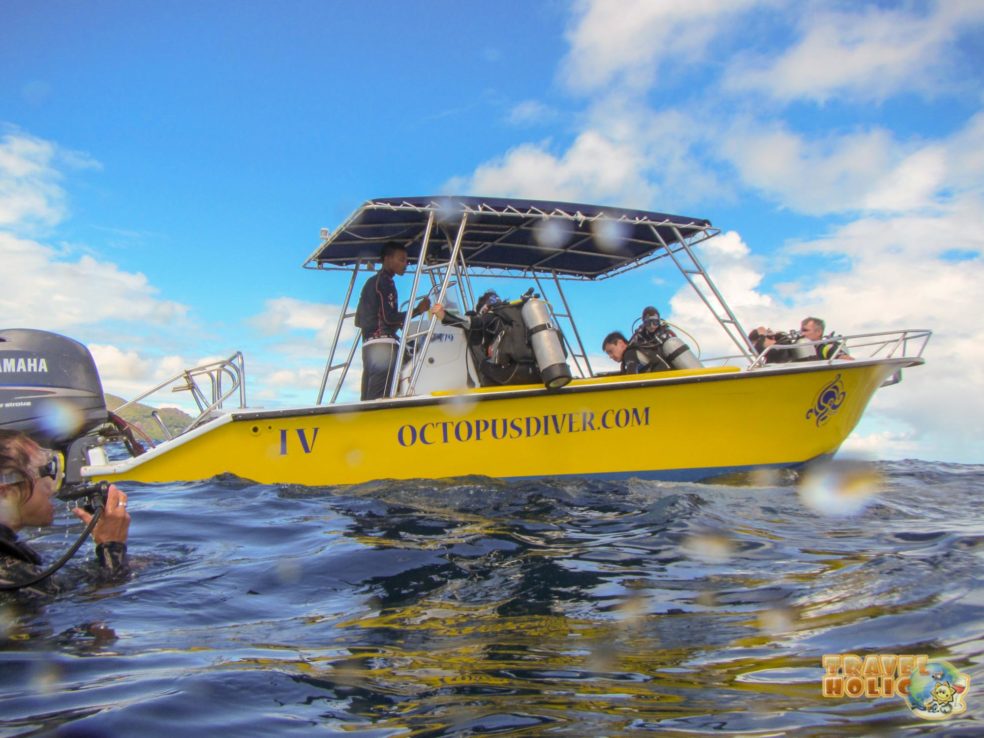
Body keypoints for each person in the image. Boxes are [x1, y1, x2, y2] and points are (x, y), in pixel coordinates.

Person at [1, 430, 130, 594]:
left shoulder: (14, 561)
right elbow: (105, 593)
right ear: (5, 494)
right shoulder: (13, 580)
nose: (52, 485)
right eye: (48, 470)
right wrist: (112, 547)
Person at [355, 241, 431, 400]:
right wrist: (418, 310)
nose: (405, 264)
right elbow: (389, 318)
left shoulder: (370, 282)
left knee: (368, 398)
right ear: (388, 259)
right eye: (401, 259)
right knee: (380, 399)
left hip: (368, 347)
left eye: (407, 260)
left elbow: (358, 320)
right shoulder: (386, 283)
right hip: (384, 347)